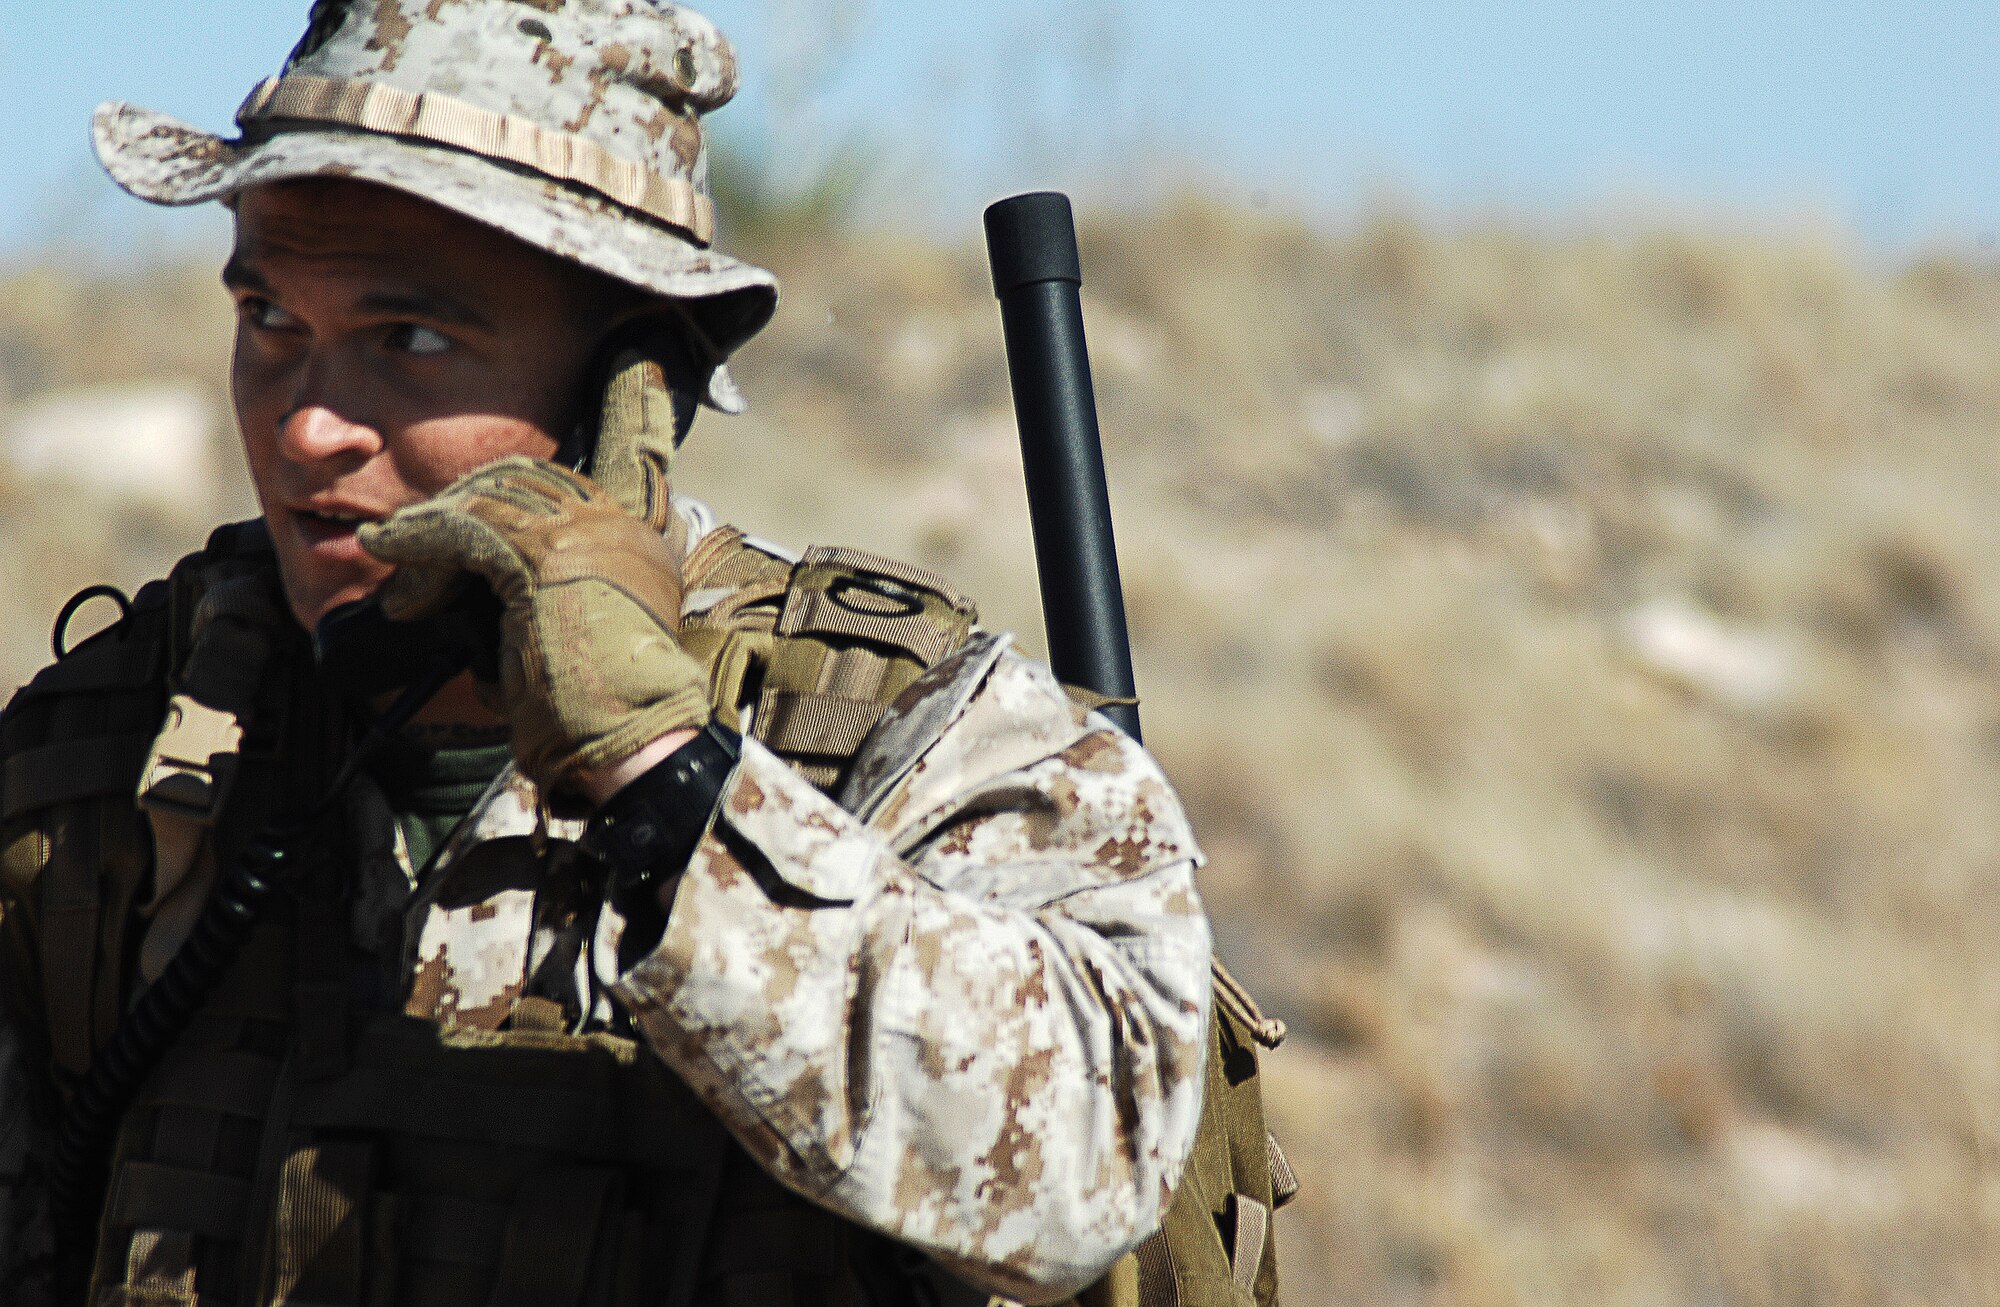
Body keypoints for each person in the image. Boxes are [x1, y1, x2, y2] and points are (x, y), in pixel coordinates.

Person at [0, 3, 1222, 1306]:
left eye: (409, 340)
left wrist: (664, 775)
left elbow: (1092, 1173)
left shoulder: (897, 737)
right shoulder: (122, 746)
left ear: (635, 388)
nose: (306, 428)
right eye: (269, 321)